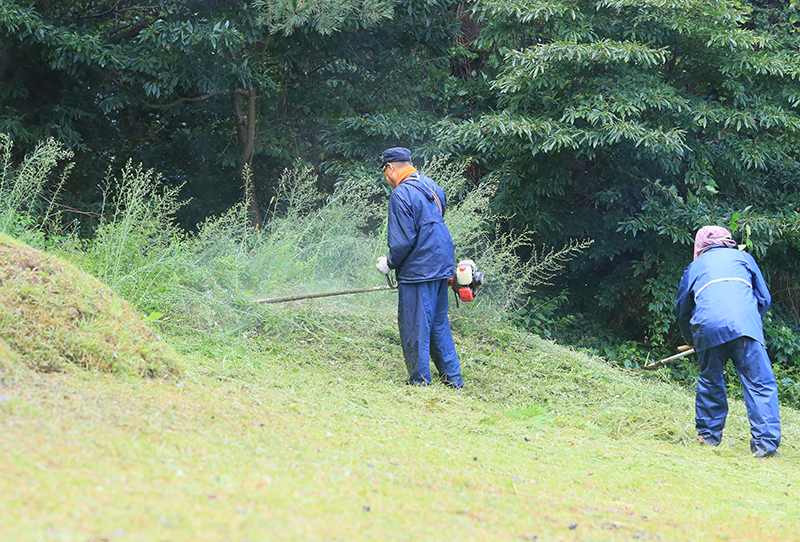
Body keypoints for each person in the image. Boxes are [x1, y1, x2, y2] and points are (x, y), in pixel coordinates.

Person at [675, 226, 781, 458]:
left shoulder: (694, 268)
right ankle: (765, 447)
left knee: (711, 381)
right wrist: (751, 322)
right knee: (760, 385)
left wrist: (692, 339)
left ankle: (708, 438)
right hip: (746, 328)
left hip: (707, 329)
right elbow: (764, 298)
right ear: (727, 241)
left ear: (700, 245)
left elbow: (683, 309)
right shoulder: (744, 258)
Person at [374, 147, 463, 388]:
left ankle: (420, 380)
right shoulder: (433, 187)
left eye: (385, 171)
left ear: (391, 167)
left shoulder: (401, 194)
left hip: (419, 270)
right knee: (438, 322)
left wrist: (389, 263)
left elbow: (403, 241)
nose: (386, 177)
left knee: (415, 324)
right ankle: (453, 379)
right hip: (442, 262)